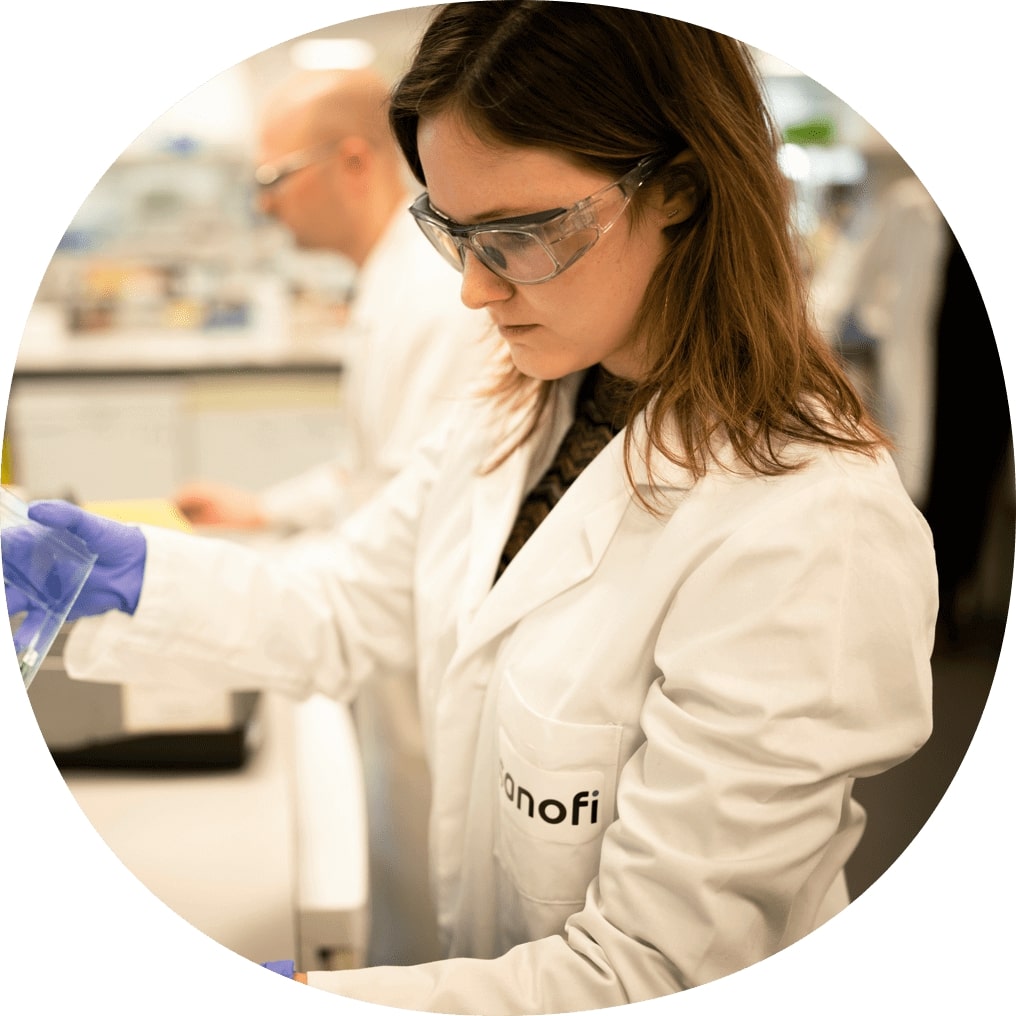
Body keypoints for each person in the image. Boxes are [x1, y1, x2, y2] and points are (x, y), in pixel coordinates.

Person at [6, 4, 937, 1012]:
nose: (473, 293)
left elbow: (656, 973)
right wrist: (132, 584)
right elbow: (347, 603)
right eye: (453, 234)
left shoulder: (807, 530)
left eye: (523, 234)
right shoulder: (516, 407)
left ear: (679, 188)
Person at [178, 67, 495, 967]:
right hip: (389, 632)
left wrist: (257, 587)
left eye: (274, 178)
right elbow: (385, 469)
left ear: (353, 161)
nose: (265, 207)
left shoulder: (434, 295)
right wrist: (269, 509)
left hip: (418, 645)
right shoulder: (391, 279)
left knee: (434, 897)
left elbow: (409, 513)